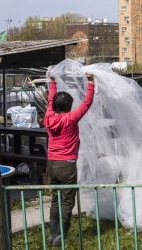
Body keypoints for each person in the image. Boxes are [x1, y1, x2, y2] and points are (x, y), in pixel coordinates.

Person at [44, 68, 95, 246]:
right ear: (68, 107)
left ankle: (51, 235)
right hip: (67, 164)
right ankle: (60, 237)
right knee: (67, 200)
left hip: (51, 163)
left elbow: (50, 100)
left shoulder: (49, 117)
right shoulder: (70, 119)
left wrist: (53, 82)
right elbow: (87, 104)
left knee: (55, 197)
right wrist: (91, 83)